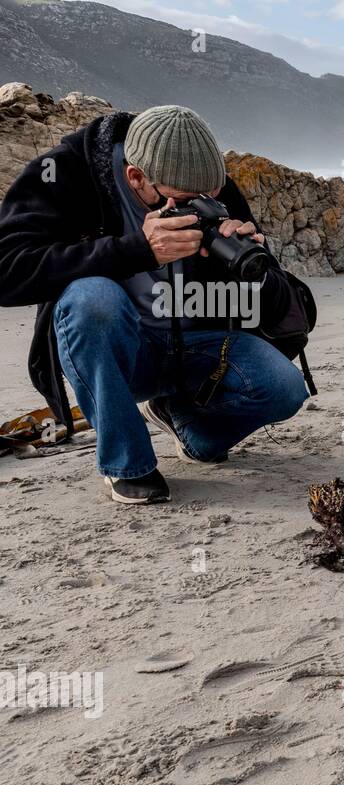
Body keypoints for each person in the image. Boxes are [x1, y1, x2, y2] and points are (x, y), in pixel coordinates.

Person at [0, 105, 311, 504]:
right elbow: (8, 272)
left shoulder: (213, 187)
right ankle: (128, 464)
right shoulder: (66, 174)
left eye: (209, 197)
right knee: (92, 296)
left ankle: (178, 418)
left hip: (195, 345)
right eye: (183, 201)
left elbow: (268, 309)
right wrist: (134, 251)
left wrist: (256, 268)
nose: (200, 206)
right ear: (137, 178)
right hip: (116, 350)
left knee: (284, 388)